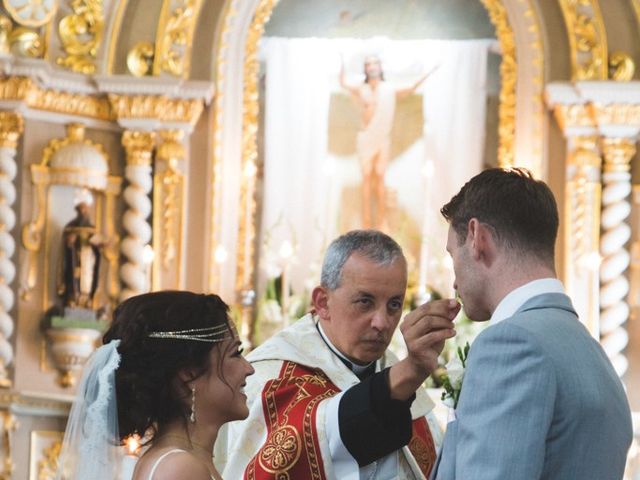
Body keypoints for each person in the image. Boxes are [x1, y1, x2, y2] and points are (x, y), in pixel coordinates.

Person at [429, 168, 633, 479]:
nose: (453, 279)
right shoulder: (592, 352)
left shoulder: (511, 344)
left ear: (476, 238)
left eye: (452, 255)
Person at [218, 230, 459, 479]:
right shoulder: (269, 375)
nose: (382, 322)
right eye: (365, 301)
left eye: (394, 305)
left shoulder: (400, 372)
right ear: (323, 302)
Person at [55, 291, 255, 480]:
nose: (249, 368)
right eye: (235, 354)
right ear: (188, 375)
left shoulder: (180, 461)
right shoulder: (180, 467)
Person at [340, 56, 437, 230]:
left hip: (382, 137)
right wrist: (341, 61)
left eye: (375, 63)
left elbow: (411, 88)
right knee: (366, 179)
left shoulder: (388, 89)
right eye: (368, 64)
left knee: (380, 179)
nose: (372, 67)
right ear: (365, 68)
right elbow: (343, 83)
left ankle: (380, 222)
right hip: (366, 138)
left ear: (380, 67)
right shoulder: (362, 89)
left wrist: (428, 73)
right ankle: (366, 221)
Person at [57, 191, 103, 310]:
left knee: (87, 283)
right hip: (74, 262)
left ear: (88, 209)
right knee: (73, 281)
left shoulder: (92, 229)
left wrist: (98, 246)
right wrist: (69, 244)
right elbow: (64, 253)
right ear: (77, 209)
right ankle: (72, 299)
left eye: (85, 208)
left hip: (88, 263)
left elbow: (97, 252)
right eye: (80, 208)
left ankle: (88, 300)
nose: (83, 211)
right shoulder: (70, 227)